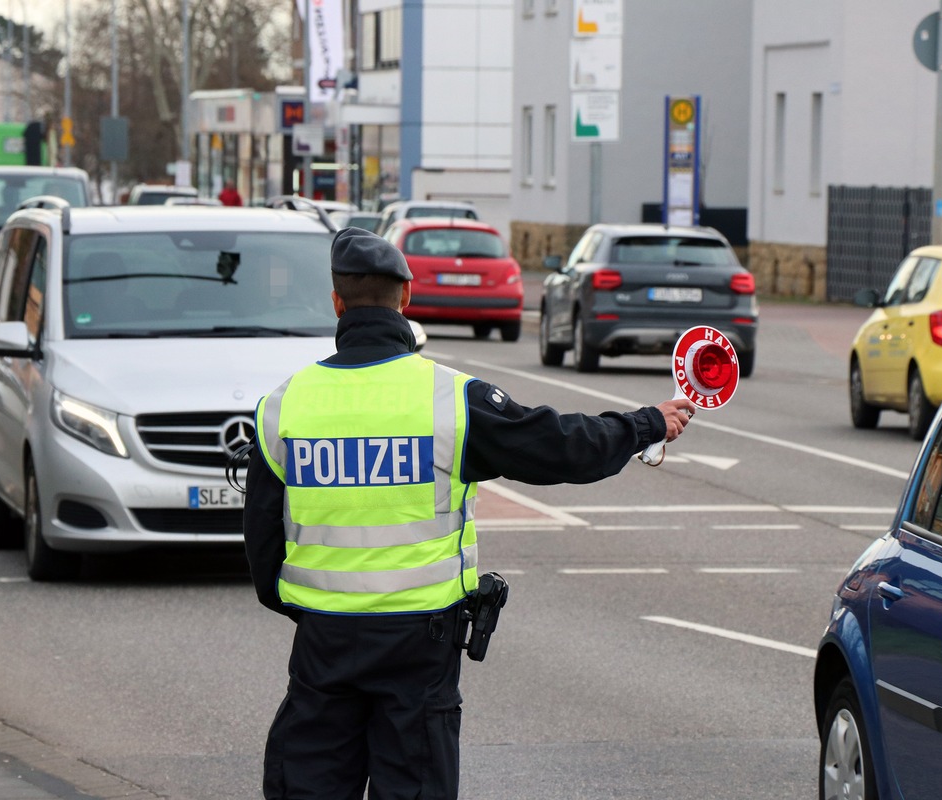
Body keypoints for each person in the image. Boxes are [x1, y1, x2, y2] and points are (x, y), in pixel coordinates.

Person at [242, 227, 695, 800]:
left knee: (307, 786)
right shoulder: (449, 400)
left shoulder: (284, 404)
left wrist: (314, 609)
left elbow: (262, 544)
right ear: (407, 298)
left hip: (323, 643)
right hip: (419, 646)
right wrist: (646, 424)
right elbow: (561, 447)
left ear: (335, 302)